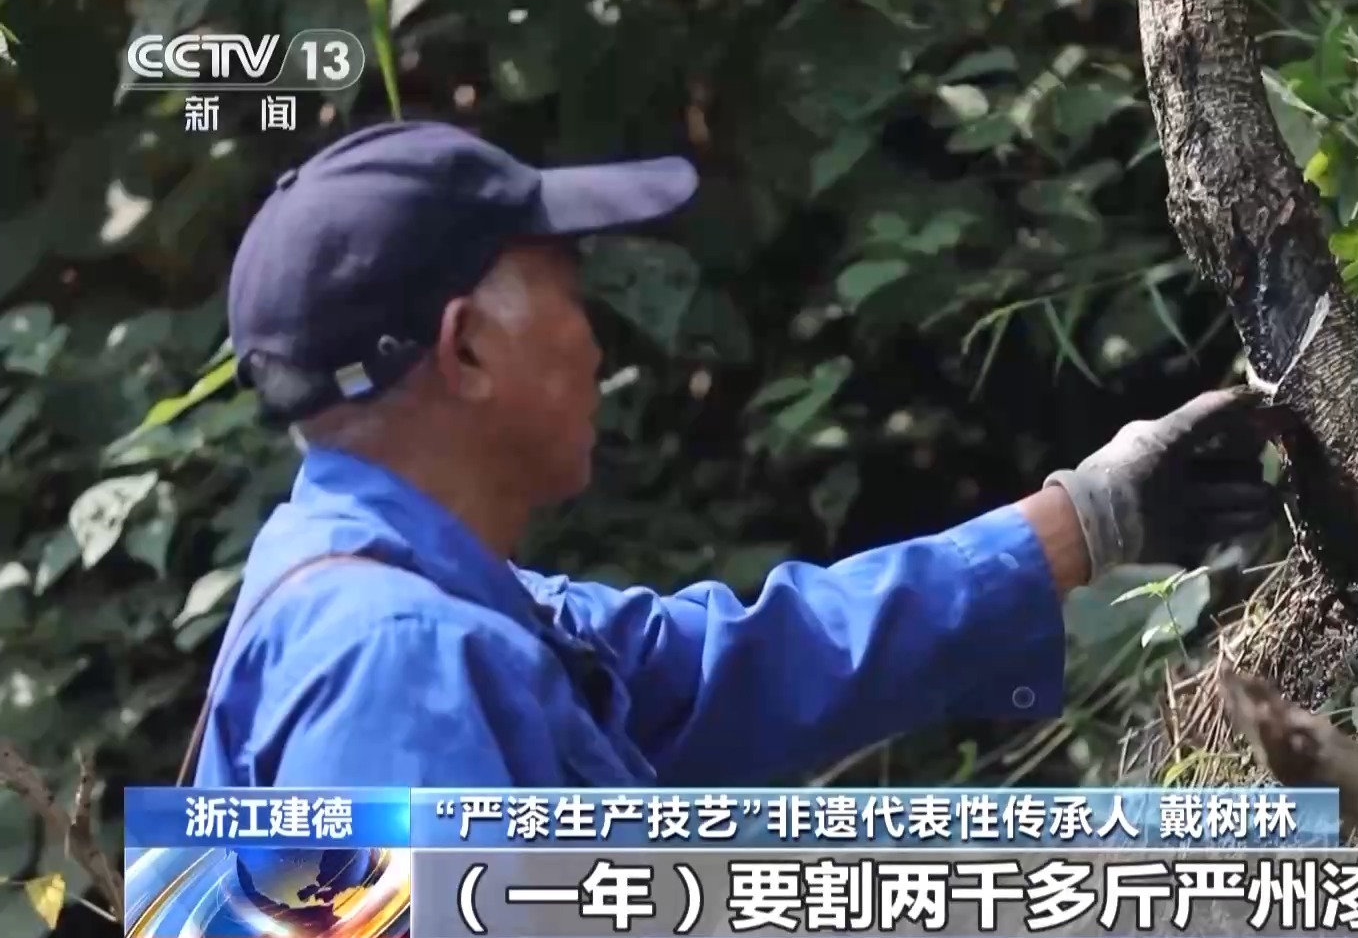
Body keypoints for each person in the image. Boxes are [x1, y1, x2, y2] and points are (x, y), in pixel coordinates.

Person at [183, 120, 1275, 788]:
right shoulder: (401, 662)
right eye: (571, 296)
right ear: (466, 347)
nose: (600, 339)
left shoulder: (436, 604)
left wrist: (1095, 515)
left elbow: (747, 663)